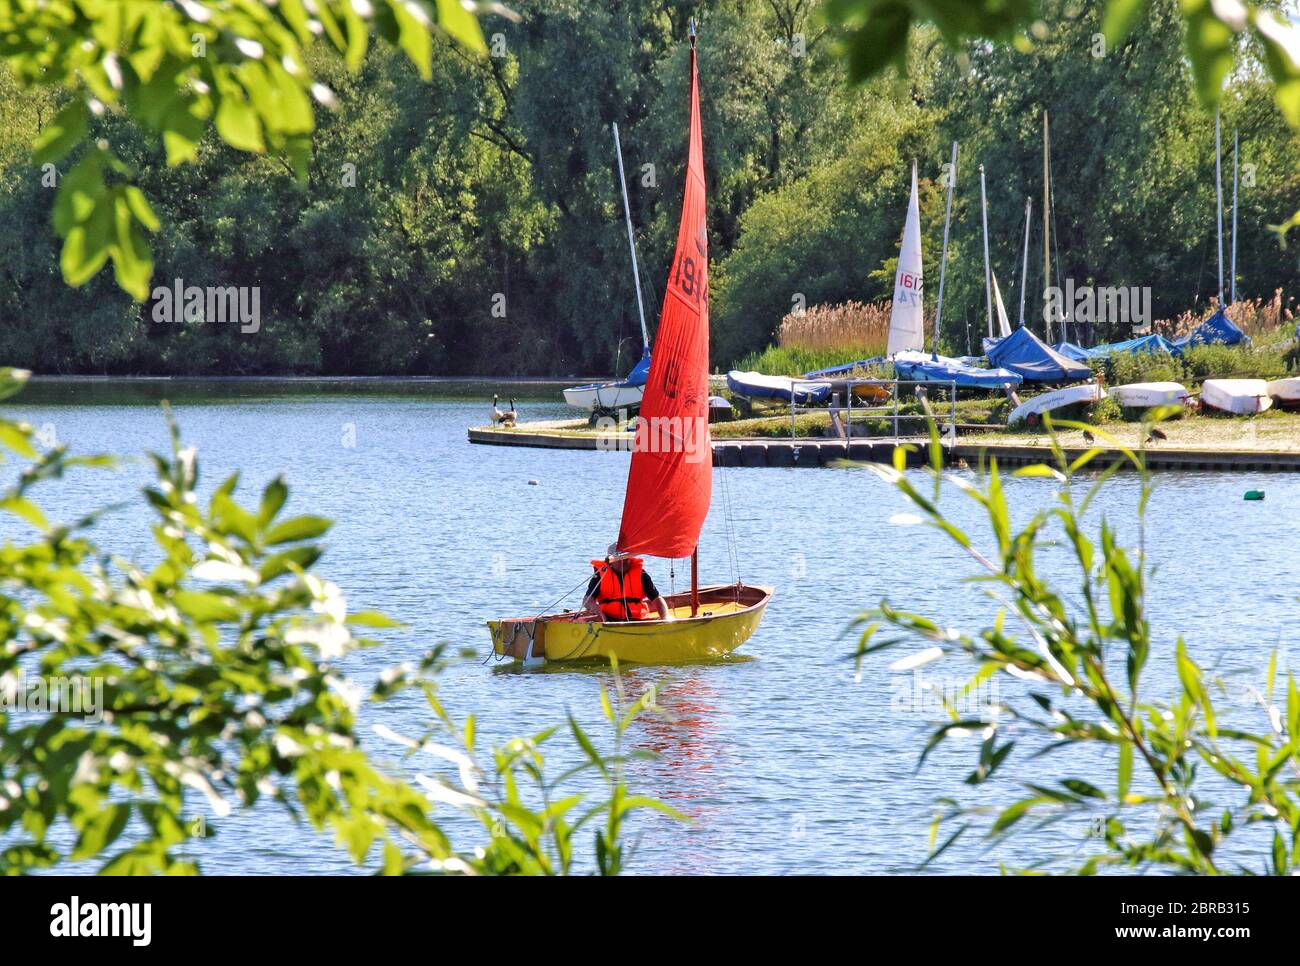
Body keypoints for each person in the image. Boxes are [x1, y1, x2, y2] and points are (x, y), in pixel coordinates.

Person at [584, 545, 672, 622]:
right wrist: (598, 611)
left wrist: (665, 616)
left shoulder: (641, 574)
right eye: (619, 559)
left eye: (626, 558)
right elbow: (587, 600)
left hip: (638, 620)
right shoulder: (601, 575)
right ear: (611, 561)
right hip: (609, 620)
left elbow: (657, 599)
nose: (624, 561)